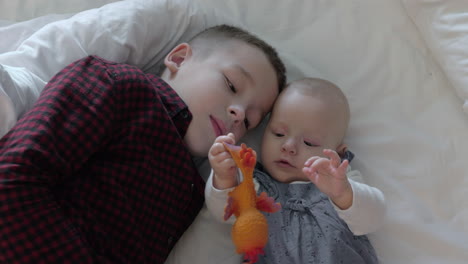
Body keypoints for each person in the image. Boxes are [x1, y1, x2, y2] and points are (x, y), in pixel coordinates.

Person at [0, 24, 286, 263]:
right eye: (232, 85)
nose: (238, 114)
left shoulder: (194, 196)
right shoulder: (119, 86)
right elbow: (12, 177)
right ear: (178, 58)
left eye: (250, 121)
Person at [205, 78, 386, 263]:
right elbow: (224, 213)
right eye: (278, 133)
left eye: (309, 142)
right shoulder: (253, 186)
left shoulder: (341, 182)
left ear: (338, 153)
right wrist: (225, 178)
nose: (289, 146)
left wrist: (344, 195)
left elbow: (373, 219)